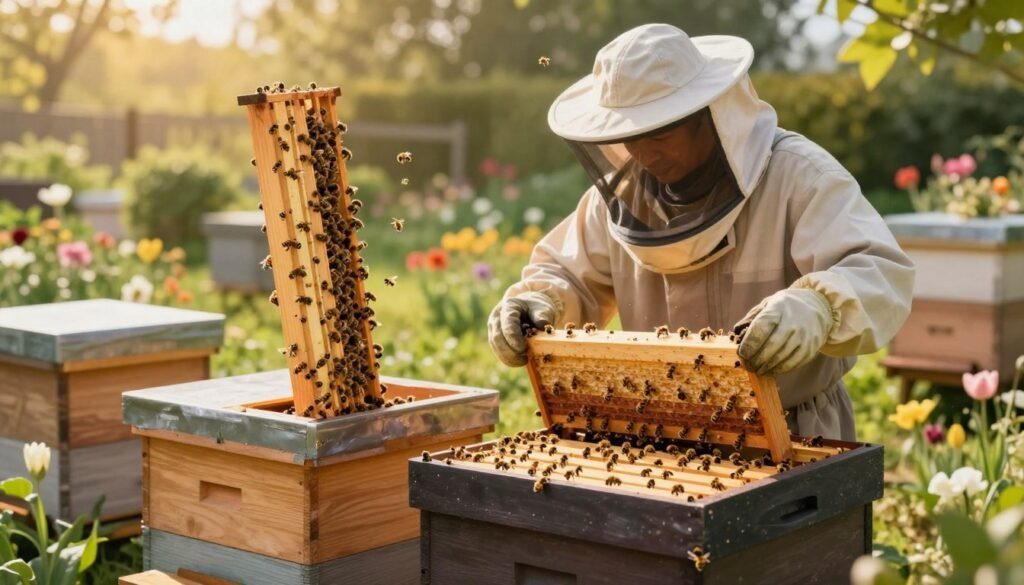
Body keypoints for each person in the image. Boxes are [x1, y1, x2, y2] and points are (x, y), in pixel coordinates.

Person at [486, 23, 915, 441]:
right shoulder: (620, 200)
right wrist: (540, 301)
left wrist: (819, 306)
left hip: (795, 429)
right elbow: (572, 277)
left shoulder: (800, 176)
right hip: (662, 430)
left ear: (708, 115)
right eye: (628, 135)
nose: (641, 153)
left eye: (659, 133)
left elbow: (878, 270)